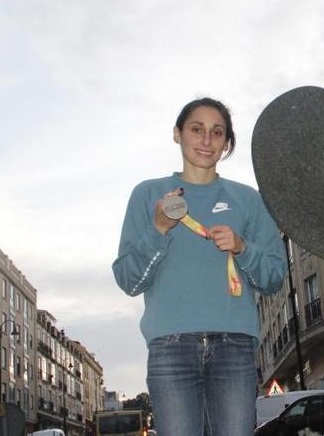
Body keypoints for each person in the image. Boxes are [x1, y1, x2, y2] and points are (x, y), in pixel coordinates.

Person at [112, 97, 287, 435]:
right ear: (178, 134)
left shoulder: (248, 199)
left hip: (234, 347)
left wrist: (242, 248)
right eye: (197, 129)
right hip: (170, 348)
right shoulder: (148, 195)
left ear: (226, 143)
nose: (206, 140)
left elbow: (275, 277)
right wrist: (159, 228)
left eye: (217, 132)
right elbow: (128, 280)